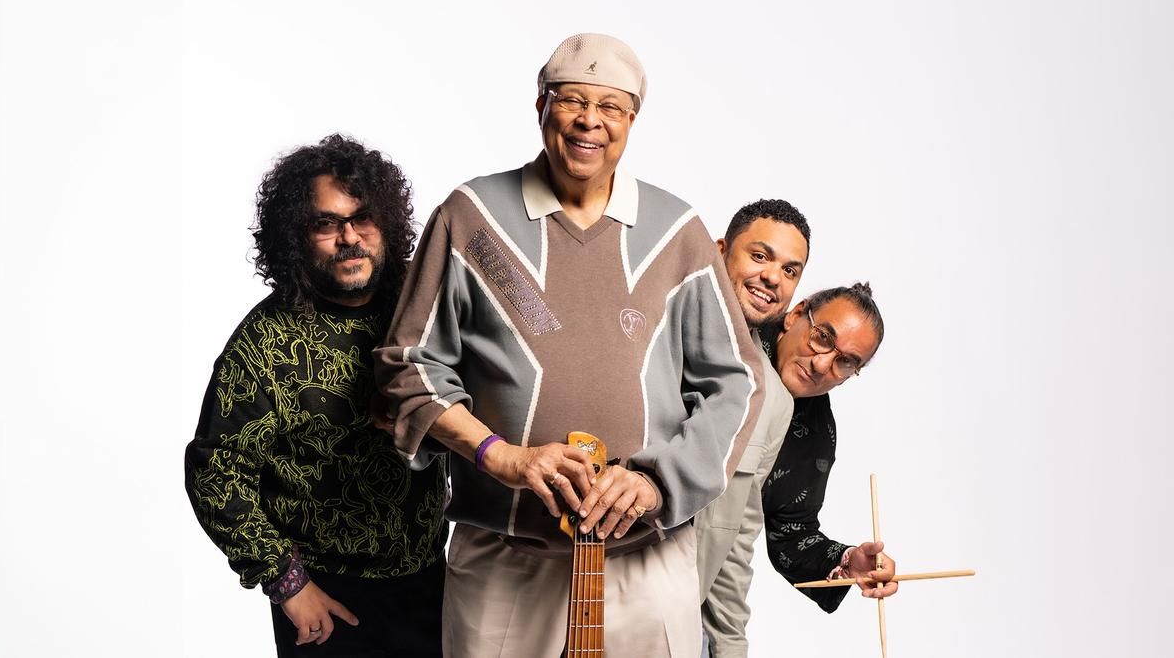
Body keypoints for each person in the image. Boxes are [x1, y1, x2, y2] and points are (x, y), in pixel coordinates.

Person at [373, 33, 765, 658]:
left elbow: (736, 382)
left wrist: (658, 483)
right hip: (504, 554)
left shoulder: (679, 233)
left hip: (647, 554)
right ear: (541, 106)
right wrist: (503, 458)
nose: (590, 121)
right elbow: (409, 369)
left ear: (632, 120)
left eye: (610, 107)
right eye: (572, 101)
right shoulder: (470, 218)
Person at [185, 134, 448, 657]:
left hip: (431, 580)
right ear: (297, 237)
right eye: (326, 224)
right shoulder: (264, 343)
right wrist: (288, 584)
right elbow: (215, 471)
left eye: (363, 219)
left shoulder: (422, 309)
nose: (350, 237)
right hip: (325, 595)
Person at [697, 281, 896, 657]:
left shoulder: (815, 436)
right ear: (796, 314)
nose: (822, 365)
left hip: (693, 594)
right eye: (823, 337)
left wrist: (847, 562)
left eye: (846, 362)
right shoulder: (730, 335)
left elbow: (790, 533)